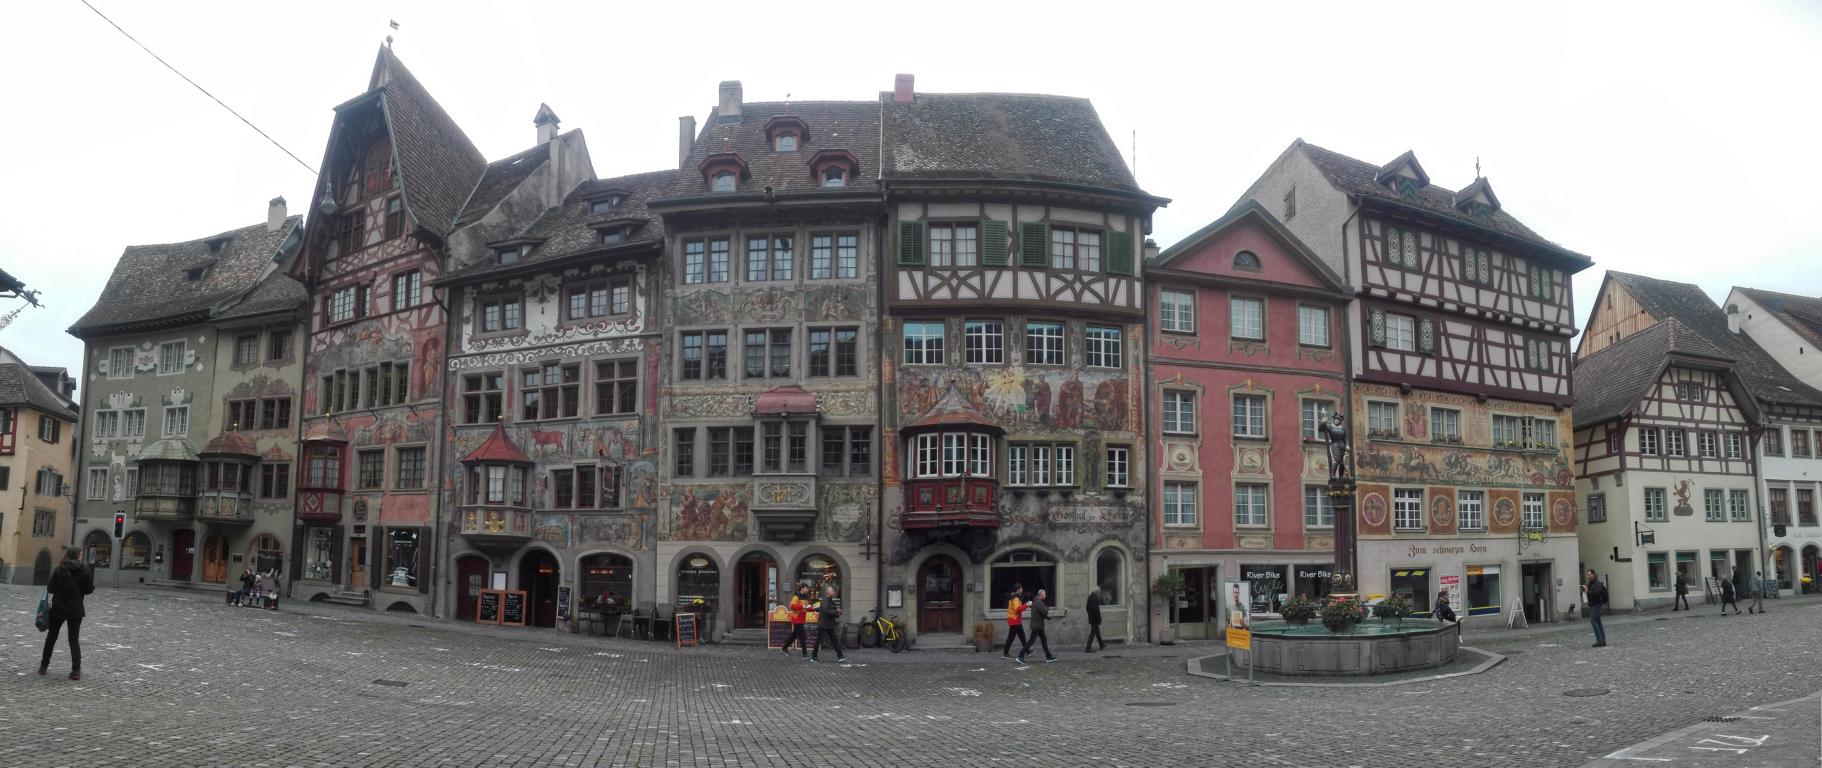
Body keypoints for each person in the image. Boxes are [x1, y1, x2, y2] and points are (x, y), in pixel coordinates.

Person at [40, 547, 95, 680]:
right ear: (77, 555)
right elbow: (88, 590)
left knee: (51, 637)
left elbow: (50, 588)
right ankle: (76, 671)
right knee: (73, 640)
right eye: (81, 554)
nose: (82, 556)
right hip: (76, 609)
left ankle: (43, 667)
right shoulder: (85, 570)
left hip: (58, 608)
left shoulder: (60, 569)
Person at [1018, 588, 1056, 664]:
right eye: (1044, 594)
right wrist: (1047, 608)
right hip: (1037, 626)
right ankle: (1020, 656)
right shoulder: (1038, 602)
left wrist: (1047, 617)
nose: (1045, 596)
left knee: (1044, 641)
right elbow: (1044, 612)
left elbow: (1041, 613)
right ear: (1040, 595)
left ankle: (1049, 656)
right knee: (1031, 642)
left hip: (1038, 625)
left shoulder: (1037, 601)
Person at [810, 584, 845, 664]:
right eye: (832, 591)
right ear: (828, 592)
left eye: (834, 591)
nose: (834, 592)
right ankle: (814, 656)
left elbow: (830, 610)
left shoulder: (829, 599)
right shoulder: (826, 600)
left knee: (834, 640)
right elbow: (826, 611)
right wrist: (836, 611)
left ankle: (840, 656)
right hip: (824, 624)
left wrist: (837, 612)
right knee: (819, 640)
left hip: (828, 624)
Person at [781, 586, 810, 658]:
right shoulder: (796, 596)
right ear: (802, 588)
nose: (807, 590)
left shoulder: (806, 597)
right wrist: (802, 607)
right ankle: (805, 654)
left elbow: (806, 608)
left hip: (801, 619)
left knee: (794, 635)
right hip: (797, 618)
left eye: (807, 588)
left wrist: (814, 609)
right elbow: (792, 606)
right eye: (806, 588)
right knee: (802, 636)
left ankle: (784, 648)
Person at [1582, 569, 1608, 648]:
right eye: (1587, 575)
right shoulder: (1589, 584)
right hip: (1592, 605)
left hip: (1597, 604)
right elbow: (1589, 594)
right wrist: (1584, 591)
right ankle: (1603, 641)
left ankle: (1599, 640)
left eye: (1590, 574)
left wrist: (1587, 591)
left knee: (1593, 621)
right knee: (1598, 622)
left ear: (1594, 575)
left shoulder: (1598, 584)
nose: (1588, 576)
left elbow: (1596, 593)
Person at [1001, 583, 1027, 660]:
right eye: (1021, 588)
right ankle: (1005, 653)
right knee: (1011, 638)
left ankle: (1027, 650)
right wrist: (1027, 605)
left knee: (1022, 637)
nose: (1022, 590)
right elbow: (1017, 609)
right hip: (1014, 620)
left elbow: (1019, 608)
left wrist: (1025, 606)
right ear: (1018, 589)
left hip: (1016, 620)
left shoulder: (1015, 597)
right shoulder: (1015, 598)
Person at [1084, 585, 1106, 653]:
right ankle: (1088, 648)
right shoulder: (1094, 598)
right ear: (1097, 592)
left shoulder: (1090, 597)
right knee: (1092, 633)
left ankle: (1101, 644)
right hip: (1094, 619)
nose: (1099, 594)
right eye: (1099, 592)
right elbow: (1095, 610)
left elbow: (1087, 608)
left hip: (1092, 618)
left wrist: (1090, 615)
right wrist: (1098, 618)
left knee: (1097, 632)